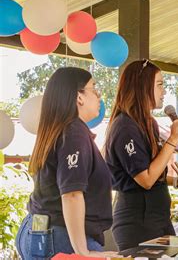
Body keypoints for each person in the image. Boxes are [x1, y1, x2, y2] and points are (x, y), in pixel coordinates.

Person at [15, 67, 119, 258]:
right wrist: (82, 251)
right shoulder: (73, 132)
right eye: (94, 88)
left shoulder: (58, 130)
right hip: (62, 239)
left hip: (38, 230)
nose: (99, 95)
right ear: (79, 97)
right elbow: (71, 194)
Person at [104, 60, 178, 251]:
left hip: (158, 217)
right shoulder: (124, 126)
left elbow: (151, 173)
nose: (164, 91)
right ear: (142, 86)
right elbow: (145, 179)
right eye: (160, 84)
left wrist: (175, 181)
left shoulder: (148, 122)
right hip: (137, 221)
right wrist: (172, 140)